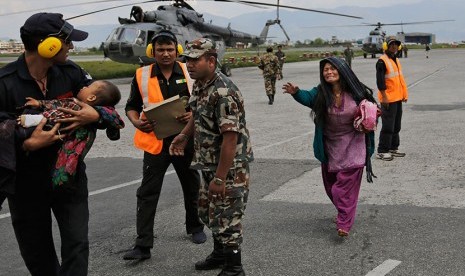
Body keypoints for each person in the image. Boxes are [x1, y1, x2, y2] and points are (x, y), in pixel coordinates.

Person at [0, 12, 113, 276]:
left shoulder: (71, 72)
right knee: (37, 253)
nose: (72, 47)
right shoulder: (4, 83)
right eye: (67, 41)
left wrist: (95, 114)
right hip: (26, 184)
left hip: (68, 178)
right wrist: (27, 144)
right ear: (46, 44)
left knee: (77, 245)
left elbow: (105, 101)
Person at [170, 38, 253, 276]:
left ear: (211, 61)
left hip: (229, 168)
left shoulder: (223, 92)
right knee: (209, 212)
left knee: (228, 216)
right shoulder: (200, 84)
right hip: (208, 162)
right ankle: (219, 255)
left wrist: (220, 178)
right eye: (187, 60)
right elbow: (196, 114)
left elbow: (230, 139)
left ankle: (234, 268)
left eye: (196, 59)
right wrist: (184, 136)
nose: (190, 64)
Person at [123, 30, 206, 260]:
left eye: (170, 49)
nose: (166, 54)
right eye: (160, 50)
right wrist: (136, 122)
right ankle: (143, 245)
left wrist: (192, 116)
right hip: (156, 143)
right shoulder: (141, 75)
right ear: (153, 52)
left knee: (191, 186)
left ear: (177, 50)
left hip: (185, 140)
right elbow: (131, 105)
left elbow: (202, 104)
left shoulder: (189, 73)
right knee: (148, 192)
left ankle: (195, 227)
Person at [282, 57, 377, 237]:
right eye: (326, 69)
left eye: (333, 69)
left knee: (343, 188)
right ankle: (344, 211)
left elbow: (372, 110)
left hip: (354, 144)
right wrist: (296, 93)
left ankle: (344, 223)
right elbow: (308, 97)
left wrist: (370, 117)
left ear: (342, 71)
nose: (329, 72)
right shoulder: (321, 93)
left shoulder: (357, 91)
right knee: (331, 186)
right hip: (330, 146)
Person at [17, 80, 124, 188]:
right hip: (55, 150)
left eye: (88, 87)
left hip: (68, 147)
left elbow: (58, 107)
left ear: (91, 98)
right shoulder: (77, 104)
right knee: (65, 168)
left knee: (66, 167)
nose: (83, 87)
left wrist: (37, 110)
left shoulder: (77, 105)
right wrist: (40, 103)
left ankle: (61, 185)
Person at [375, 36, 408, 161]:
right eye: (391, 44)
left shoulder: (396, 59)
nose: (394, 46)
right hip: (388, 99)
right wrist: (384, 97)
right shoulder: (382, 61)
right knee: (388, 125)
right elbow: (380, 81)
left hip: (397, 98)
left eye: (396, 44)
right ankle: (382, 150)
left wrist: (404, 94)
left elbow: (399, 79)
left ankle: (393, 147)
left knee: (396, 125)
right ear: (386, 46)